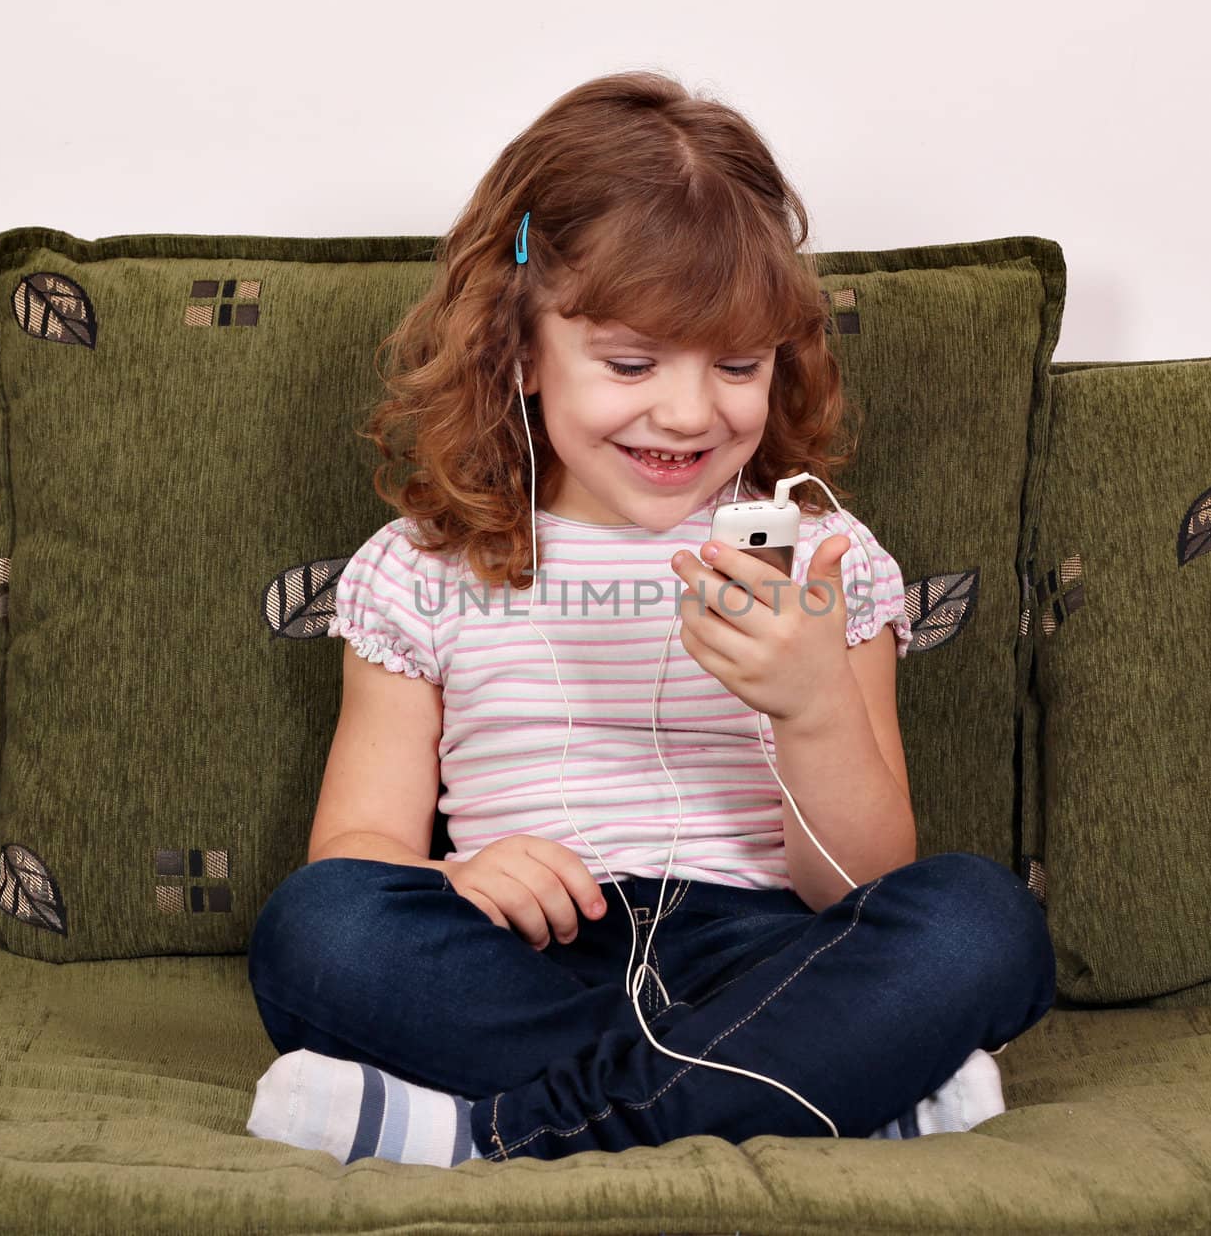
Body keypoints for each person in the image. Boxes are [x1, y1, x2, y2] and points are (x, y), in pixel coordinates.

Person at [245, 70, 1056, 1168]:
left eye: (737, 364)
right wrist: (454, 878)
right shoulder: (420, 570)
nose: (686, 411)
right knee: (315, 931)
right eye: (631, 363)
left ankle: (493, 1132)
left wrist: (813, 704)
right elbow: (355, 853)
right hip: (527, 950)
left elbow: (860, 885)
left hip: (762, 954)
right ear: (520, 350)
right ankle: (827, 1081)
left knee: (978, 919)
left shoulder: (822, 560)